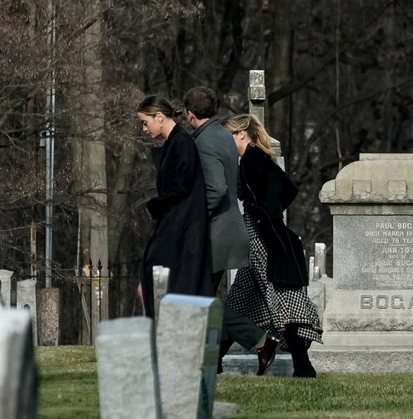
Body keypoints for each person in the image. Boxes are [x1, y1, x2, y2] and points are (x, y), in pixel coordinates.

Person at [183, 87, 278, 375]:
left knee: (196, 299)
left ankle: (260, 340)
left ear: (189, 114)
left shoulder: (204, 142)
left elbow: (217, 189)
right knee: (203, 299)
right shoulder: (224, 136)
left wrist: (192, 221)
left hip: (214, 233)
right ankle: (214, 363)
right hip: (228, 229)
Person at [223, 113, 322, 378]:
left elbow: (283, 188)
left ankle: (303, 366)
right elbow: (284, 188)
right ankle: (213, 362)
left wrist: (267, 214)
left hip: (261, 239)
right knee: (238, 302)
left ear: (241, 134)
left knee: (282, 300)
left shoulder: (253, 160)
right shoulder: (250, 161)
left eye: (228, 136)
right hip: (256, 236)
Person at [135, 95, 214, 318]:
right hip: (178, 225)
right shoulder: (175, 142)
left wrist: (155, 204)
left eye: (145, 121)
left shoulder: (181, 142)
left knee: (168, 280)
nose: (144, 128)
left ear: (159, 117)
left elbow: (182, 185)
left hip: (183, 228)